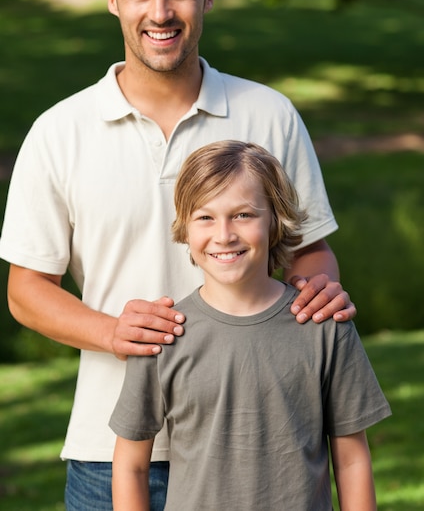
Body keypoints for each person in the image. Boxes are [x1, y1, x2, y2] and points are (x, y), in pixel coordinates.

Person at [0, 0, 356, 511]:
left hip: (257, 442)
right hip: (109, 448)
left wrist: (318, 290)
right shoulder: (59, 131)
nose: (160, 13)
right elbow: (26, 290)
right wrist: (115, 333)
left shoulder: (269, 116)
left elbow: (310, 253)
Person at [110, 140, 391, 511]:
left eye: (243, 215)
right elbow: (130, 465)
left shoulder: (325, 326)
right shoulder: (163, 335)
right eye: (205, 217)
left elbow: (352, 459)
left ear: (276, 219)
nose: (224, 234)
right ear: (186, 227)